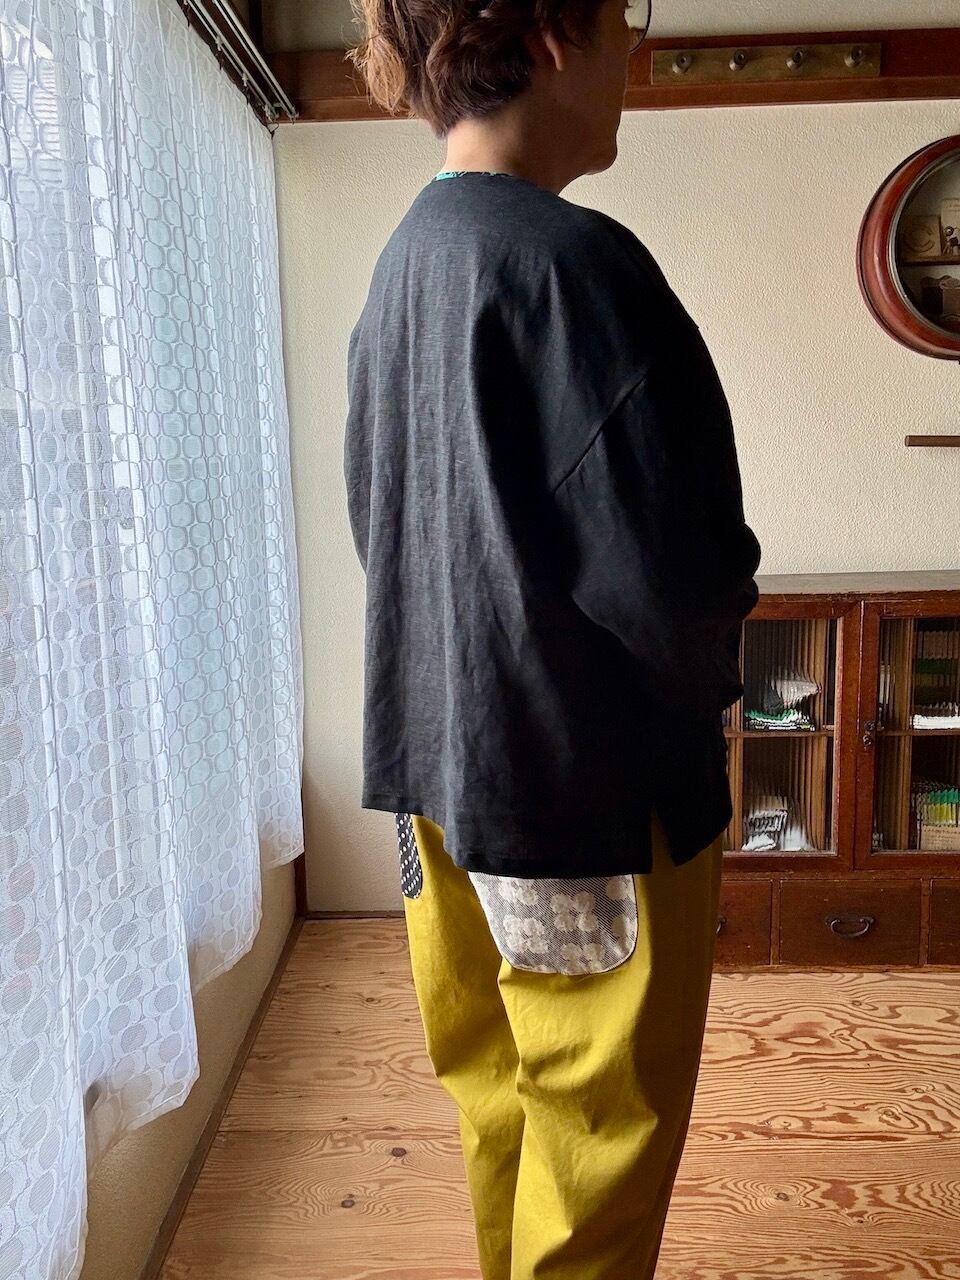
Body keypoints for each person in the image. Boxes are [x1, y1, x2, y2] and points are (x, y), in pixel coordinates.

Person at [343, 1, 762, 1276]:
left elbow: (381, 520)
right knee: (595, 1144)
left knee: (503, 1101)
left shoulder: (405, 262)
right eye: (626, 17)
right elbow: (674, 573)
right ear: (552, 33)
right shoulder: (576, 265)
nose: (636, 50)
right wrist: (713, 696)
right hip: (584, 799)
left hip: (436, 773)